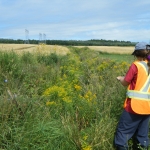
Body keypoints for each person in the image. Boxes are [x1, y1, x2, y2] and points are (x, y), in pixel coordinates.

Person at [114, 42, 150, 150]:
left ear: (136, 53)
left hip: (134, 107)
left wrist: (121, 78)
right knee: (142, 135)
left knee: (123, 133)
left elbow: (126, 82)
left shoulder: (136, 65)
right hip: (147, 107)